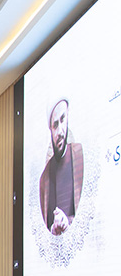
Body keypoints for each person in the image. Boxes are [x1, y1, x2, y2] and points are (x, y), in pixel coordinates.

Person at [39, 98, 84, 235]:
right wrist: (53, 229)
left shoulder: (80, 155)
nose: (59, 132)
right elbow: (46, 226)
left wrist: (67, 221)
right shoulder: (44, 179)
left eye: (63, 120)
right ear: (50, 130)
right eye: (55, 125)